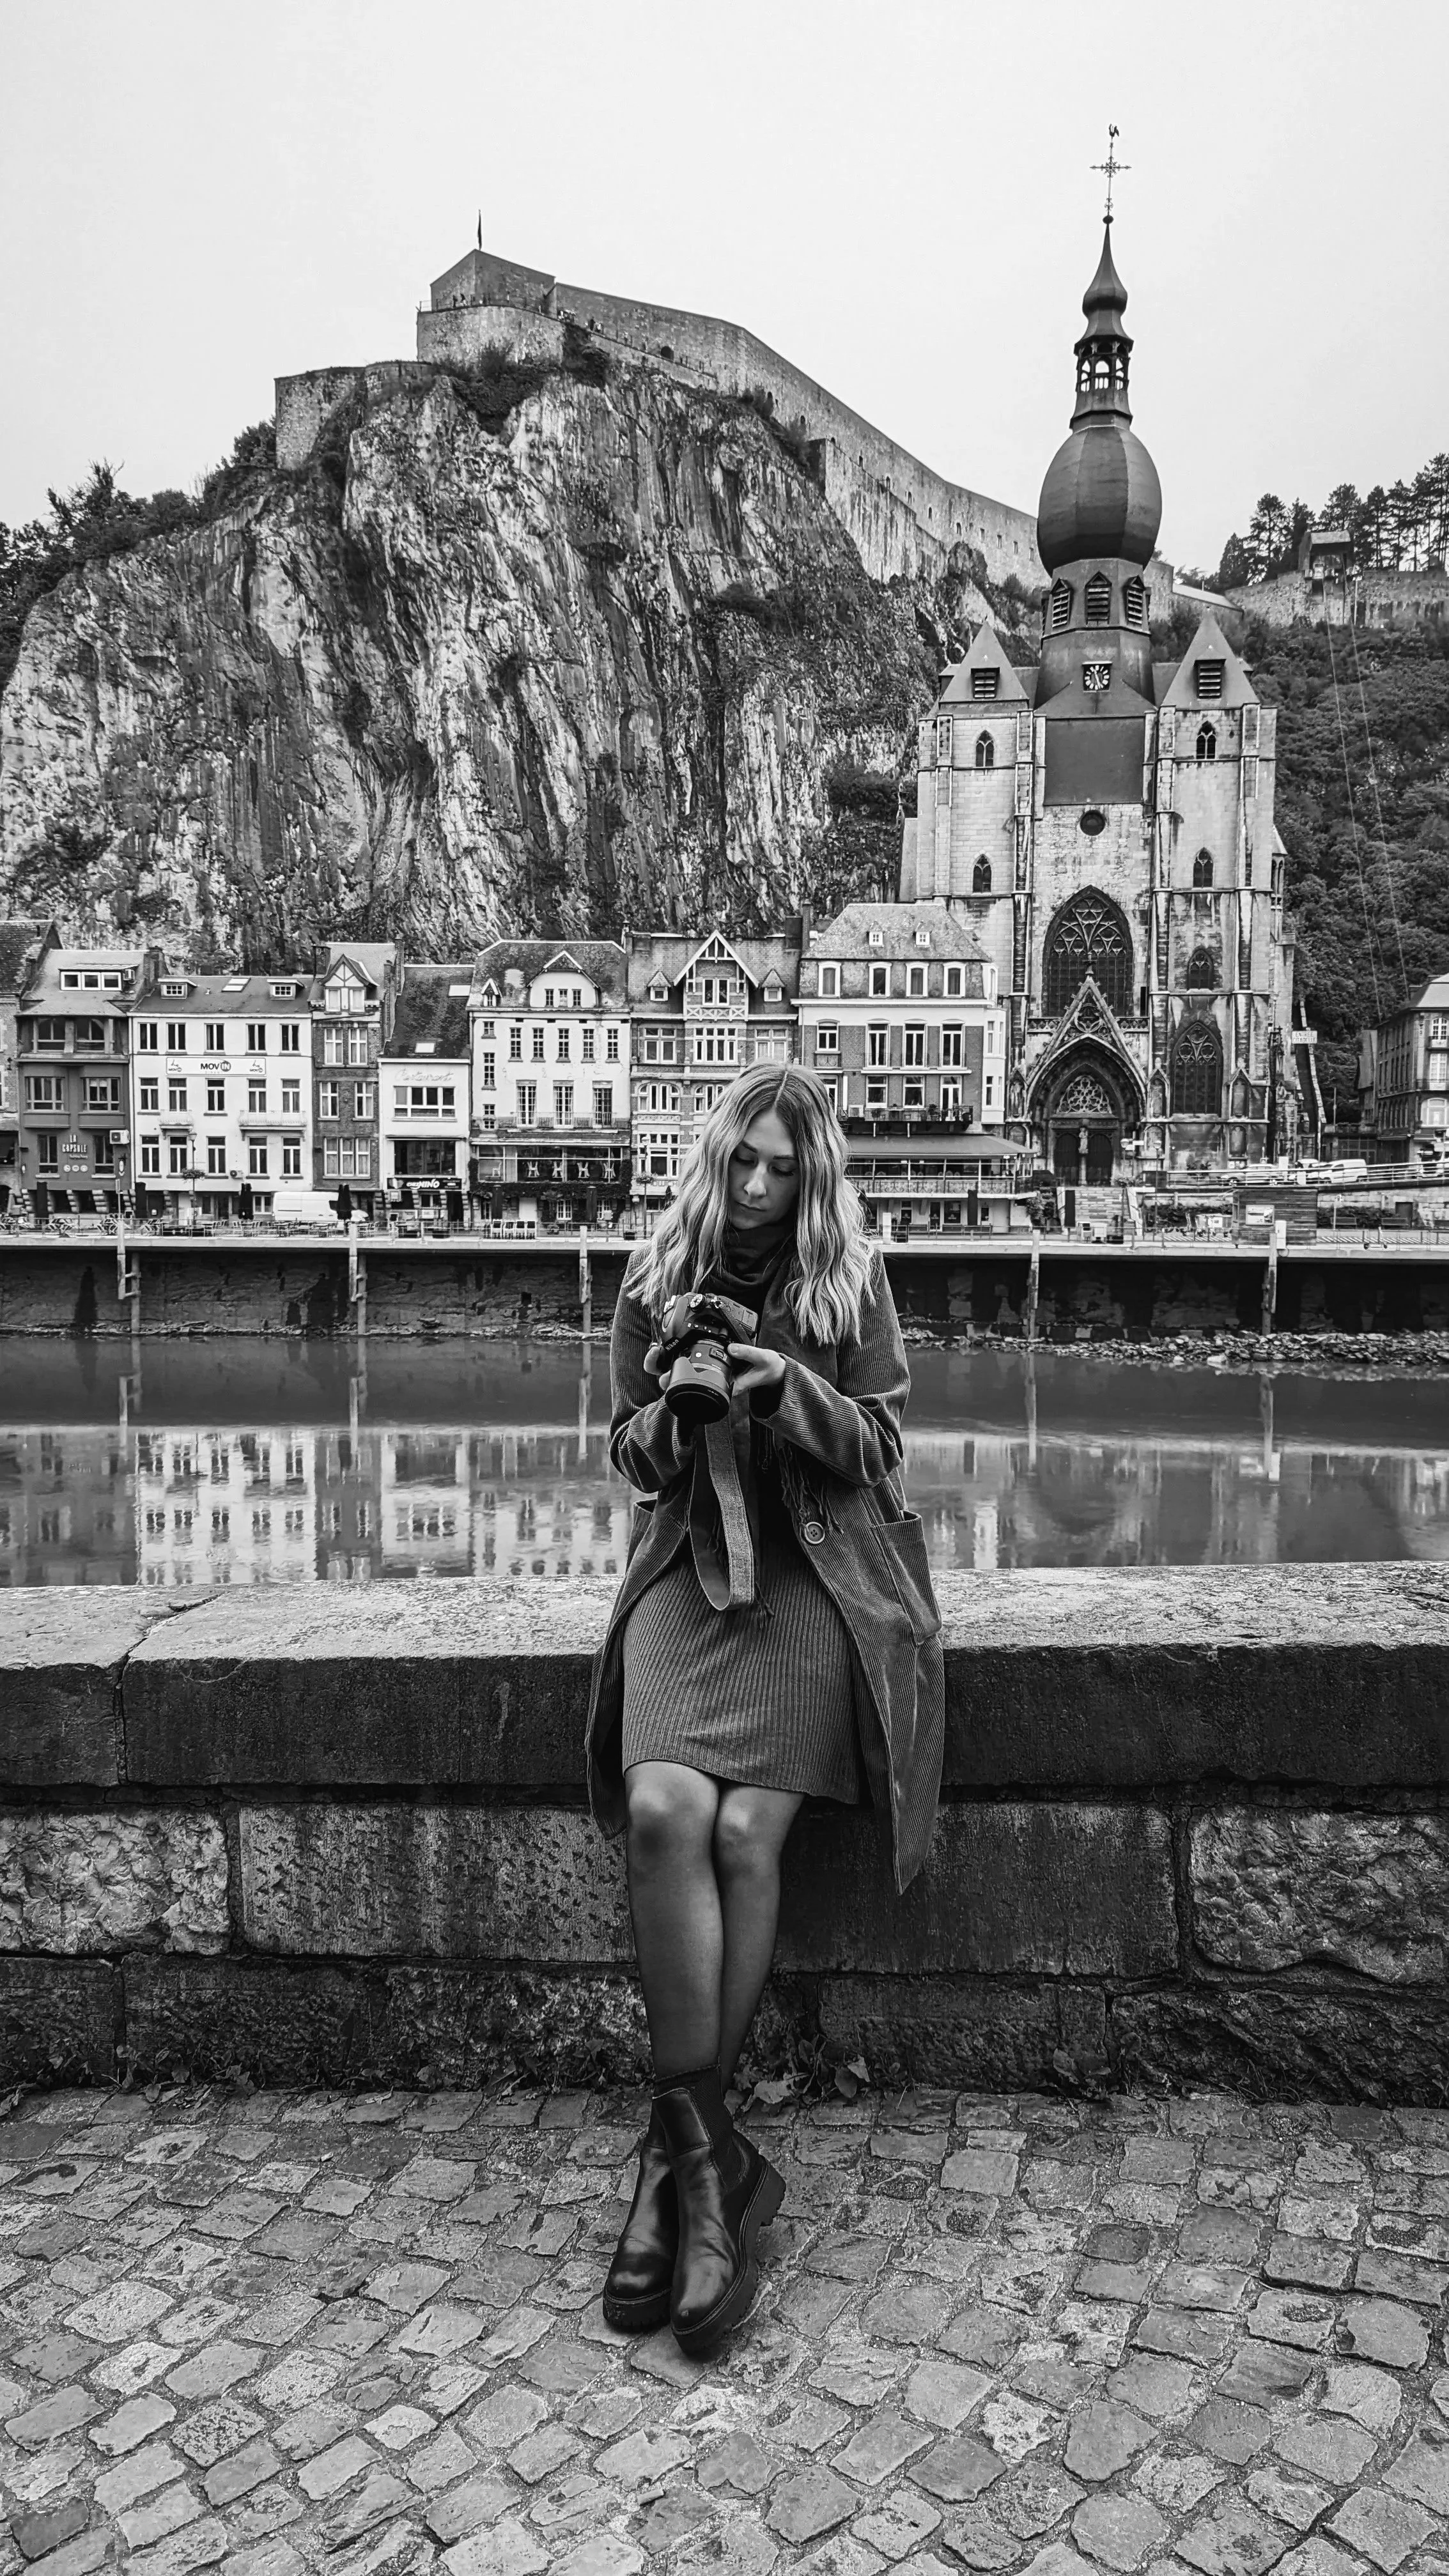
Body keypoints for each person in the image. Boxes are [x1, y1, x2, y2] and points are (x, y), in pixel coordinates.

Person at [585, 1063, 943, 2356]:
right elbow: (622, 1445)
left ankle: (672, 2166)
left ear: (814, 1174)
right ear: (713, 1152)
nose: (753, 1187)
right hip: (692, 1581)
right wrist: (675, 1416)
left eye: (781, 1169)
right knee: (661, 1805)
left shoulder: (846, 1276)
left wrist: (776, 1382)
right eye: (740, 1159)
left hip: (812, 1589)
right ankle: (705, 2162)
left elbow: (883, 1444)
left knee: (746, 1836)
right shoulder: (654, 1266)